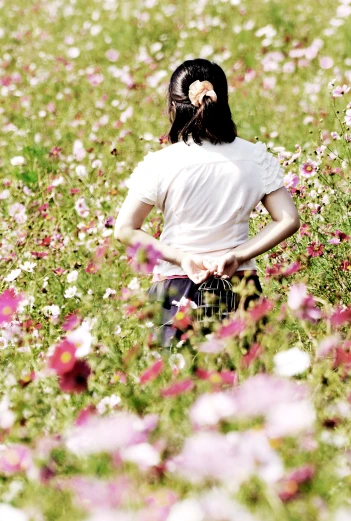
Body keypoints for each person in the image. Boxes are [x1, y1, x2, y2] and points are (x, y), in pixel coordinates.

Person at [113, 59, 300, 348]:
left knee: (178, 384)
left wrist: (182, 258)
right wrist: (237, 255)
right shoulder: (254, 157)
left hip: (175, 286)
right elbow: (288, 219)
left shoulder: (161, 163)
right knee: (243, 382)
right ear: (222, 100)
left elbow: (125, 229)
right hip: (239, 283)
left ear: (174, 106)